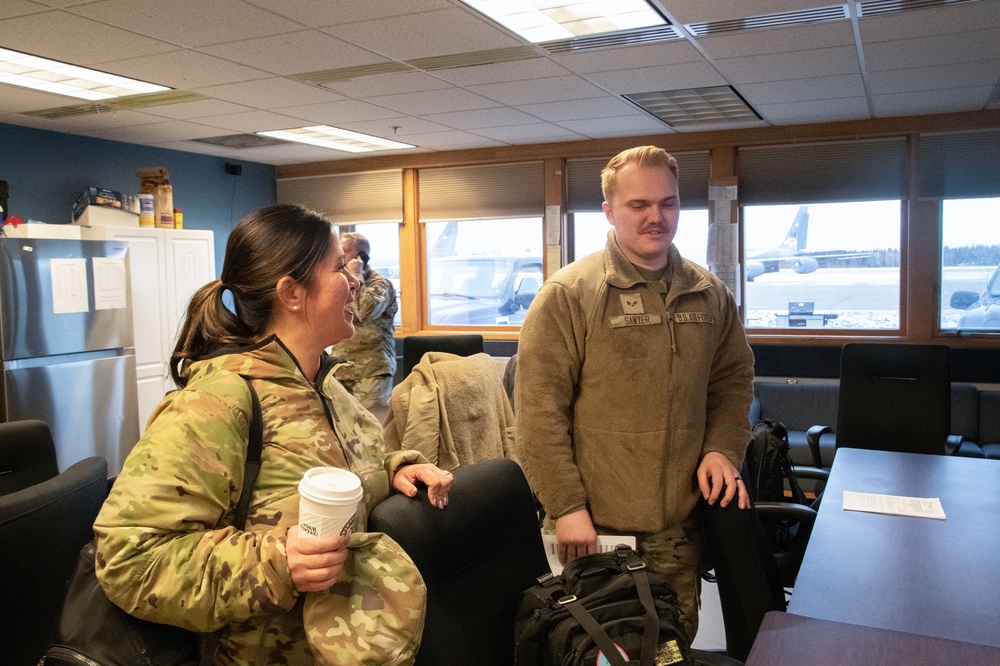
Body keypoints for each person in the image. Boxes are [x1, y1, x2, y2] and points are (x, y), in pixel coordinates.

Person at [93, 203, 452, 664]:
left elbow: (318, 473)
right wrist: (278, 563)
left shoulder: (325, 383)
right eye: (339, 267)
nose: (355, 280)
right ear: (293, 293)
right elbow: (129, 558)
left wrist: (394, 469)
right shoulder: (218, 401)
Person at [514, 145, 754, 641]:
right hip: (594, 528)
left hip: (678, 525)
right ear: (609, 210)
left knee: (671, 646)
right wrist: (566, 508)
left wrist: (722, 449)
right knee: (600, 650)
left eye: (667, 203)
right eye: (639, 205)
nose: (656, 217)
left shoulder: (709, 293)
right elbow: (539, 416)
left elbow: (733, 380)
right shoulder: (568, 295)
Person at [330, 231, 398, 423]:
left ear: (361, 256)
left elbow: (364, 312)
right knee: (343, 429)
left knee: (372, 429)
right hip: (341, 368)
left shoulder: (380, 284)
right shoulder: (340, 282)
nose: (340, 257)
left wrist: (356, 275)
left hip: (372, 371)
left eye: (344, 252)